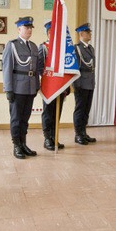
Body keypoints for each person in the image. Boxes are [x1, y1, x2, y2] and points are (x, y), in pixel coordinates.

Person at [2, 17, 40, 159]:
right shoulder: (11, 45)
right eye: (26, 27)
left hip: (30, 88)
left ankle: (23, 144)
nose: (29, 30)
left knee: (25, 118)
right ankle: (16, 145)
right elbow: (7, 69)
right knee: (16, 119)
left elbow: (35, 70)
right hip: (17, 88)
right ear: (19, 29)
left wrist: (36, 85)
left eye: (31, 27)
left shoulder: (34, 47)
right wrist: (8, 89)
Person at [39, 20, 68, 149]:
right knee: (48, 113)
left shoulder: (62, 49)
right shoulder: (44, 47)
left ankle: (54, 137)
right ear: (49, 33)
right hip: (49, 86)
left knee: (58, 111)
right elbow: (40, 67)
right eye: (53, 32)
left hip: (60, 86)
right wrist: (50, 79)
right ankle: (47, 138)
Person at [73, 23, 97, 145]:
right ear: (81, 34)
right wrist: (76, 85)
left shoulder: (90, 48)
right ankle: (78, 134)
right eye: (88, 32)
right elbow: (75, 68)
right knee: (80, 109)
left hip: (90, 82)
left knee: (86, 110)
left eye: (90, 32)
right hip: (81, 83)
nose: (90, 34)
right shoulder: (76, 48)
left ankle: (83, 132)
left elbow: (92, 67)